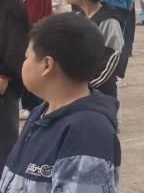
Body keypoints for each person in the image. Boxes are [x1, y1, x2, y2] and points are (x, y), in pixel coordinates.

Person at [0, 13, 120, 190]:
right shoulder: (41, 113)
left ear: (47, 65)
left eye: (27, 57)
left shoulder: (87, 132)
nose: (23, 64)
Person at [63, 0, 124, 99]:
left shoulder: (108, 20)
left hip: (100, 93)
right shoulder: (78, 17)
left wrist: (87, 87)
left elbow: (111, 59)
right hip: (77, 89)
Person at [0, 0, 30, 161]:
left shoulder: (15, 8)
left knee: (6, 132)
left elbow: (16, 45)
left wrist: (5, 75)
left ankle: (7, 171)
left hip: (6, 79)